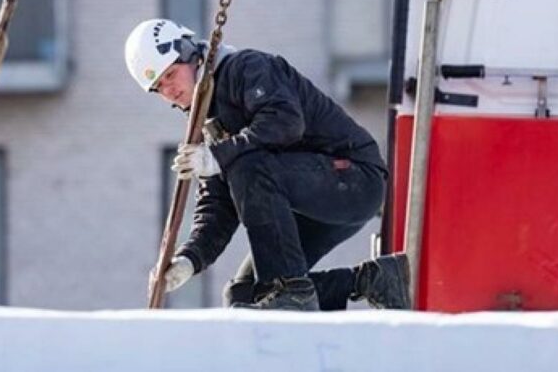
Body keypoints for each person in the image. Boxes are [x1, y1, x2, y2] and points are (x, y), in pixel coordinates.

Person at [126, 18, 411, 311]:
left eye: (170, 75)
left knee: (248, 166)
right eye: (158, 87)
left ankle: (290, 289)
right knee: (244, 295)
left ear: (191, 54)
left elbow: (286, 122)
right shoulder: (206, 124)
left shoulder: (247, 69)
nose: (168, 90)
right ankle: (371, 281)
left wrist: (219, 156)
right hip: (311, 205)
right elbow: (217, 205)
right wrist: (190, 259)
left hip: (355, 179)